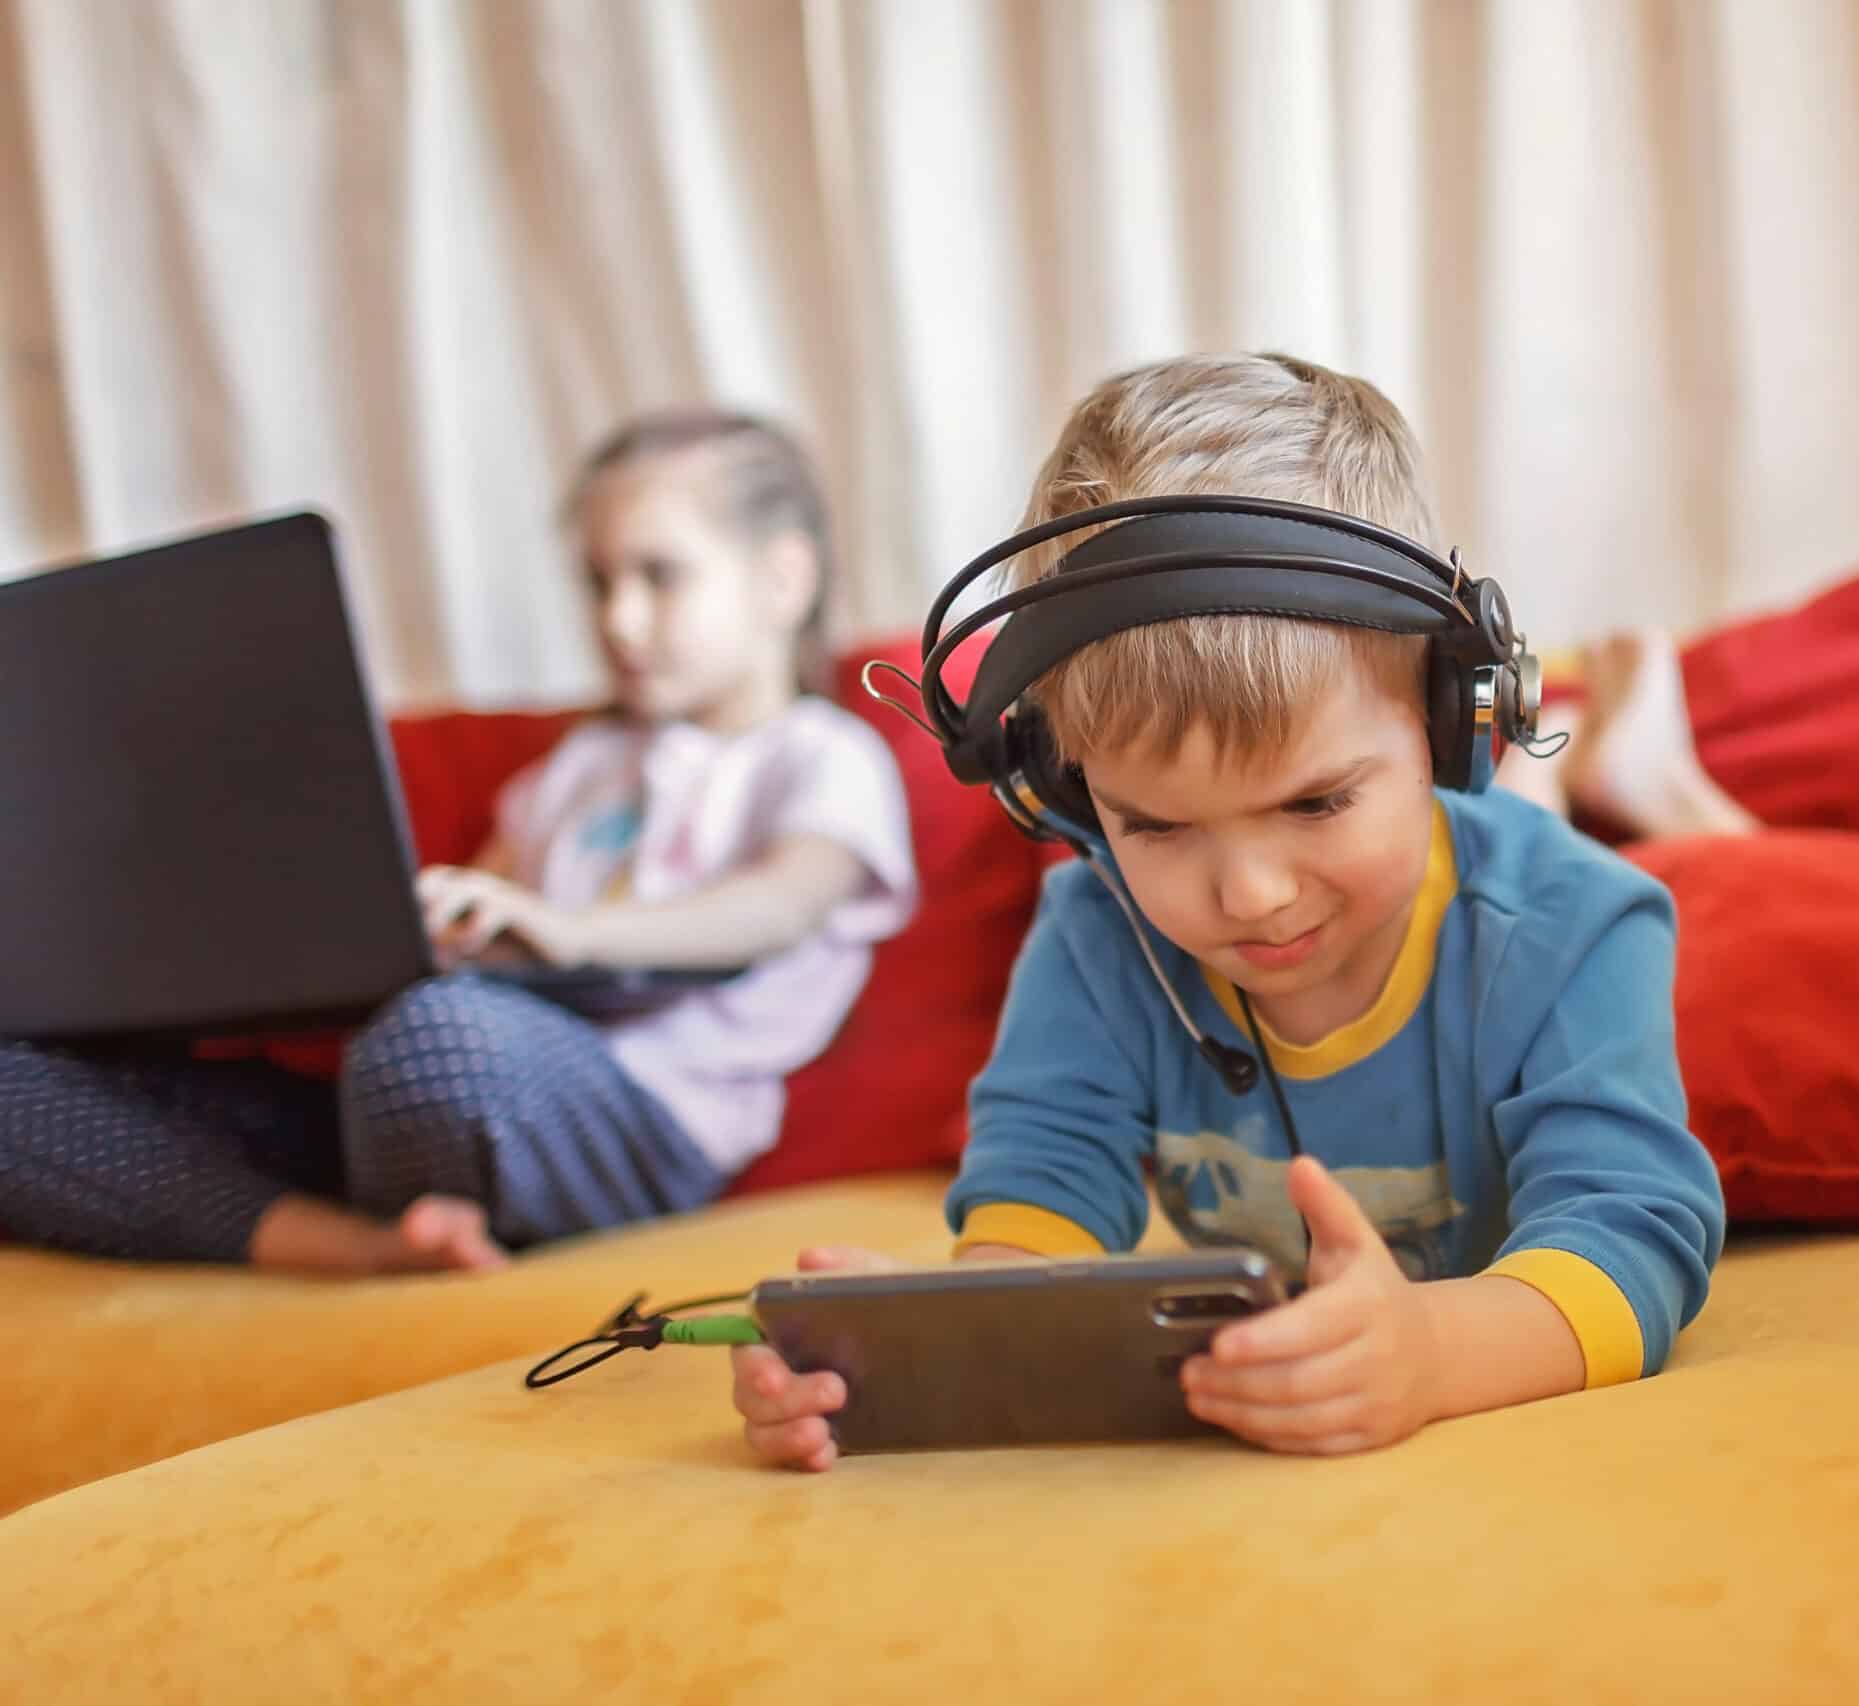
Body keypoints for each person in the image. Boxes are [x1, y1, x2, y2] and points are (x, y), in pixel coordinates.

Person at [730, 353, 1724, 1466]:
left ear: (1453, 721)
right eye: (1154, 824)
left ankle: (1627, 760)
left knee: (1737, 887)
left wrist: (1434, 1351)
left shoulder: (1579, 928)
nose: (1249, 894)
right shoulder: (1096, 931)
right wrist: (935, 1343)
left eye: (1316, 799)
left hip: (1533, 869)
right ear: (1060, 789)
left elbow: (1632, 1232)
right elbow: (1043, 1179)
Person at [0, 409, 916, 1275]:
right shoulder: (583, 764)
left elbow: (782, 904)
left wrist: (575, 931)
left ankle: (398, 1206)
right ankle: (359, 1247)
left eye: (659, 576)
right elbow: (477, 919)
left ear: (784, 580)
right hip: (416, 1095)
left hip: (629, 1118)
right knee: (16, 1083)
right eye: (598, 582)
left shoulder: (820, 754)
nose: (618, 619)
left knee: (433, 1037)